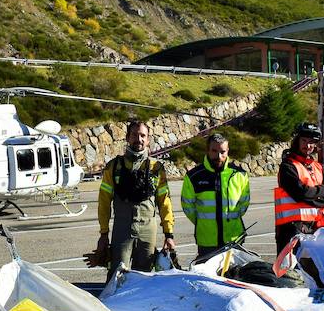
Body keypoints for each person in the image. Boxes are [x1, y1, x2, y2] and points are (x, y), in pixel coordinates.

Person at [95, 119, 174, 281]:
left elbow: (165, 203)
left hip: (148, 231)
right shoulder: (113, 167)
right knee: (117, 277)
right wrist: (104, 234)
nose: (139, 139)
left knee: (145, 279)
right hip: (122, 231)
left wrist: (169, 234)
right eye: (135, 135)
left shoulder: (156, 168)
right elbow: (104, 203)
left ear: (148, 139)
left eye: (143, 135)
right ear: (127, 137)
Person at [180, 132, 251, 258]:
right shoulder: (194, 177)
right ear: (207, 150)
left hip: (234, 240)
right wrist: (203, 223)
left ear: (228, 151)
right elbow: (188, 207)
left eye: (223, 152)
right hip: (207, 242)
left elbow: (244, 203)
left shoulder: (240, 175)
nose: (219, 156)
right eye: (214, 151)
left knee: (233, 277)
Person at [274, 122, 324, 253]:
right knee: (290, 271)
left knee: (314, 270)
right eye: (304, 140)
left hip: (317, 229)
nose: (307, 146)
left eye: (312, 142)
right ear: (297, 141)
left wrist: (310, 196)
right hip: (291, 229)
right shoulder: (288, 167)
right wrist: (323, 189)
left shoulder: (319, 167)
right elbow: (300, 194)